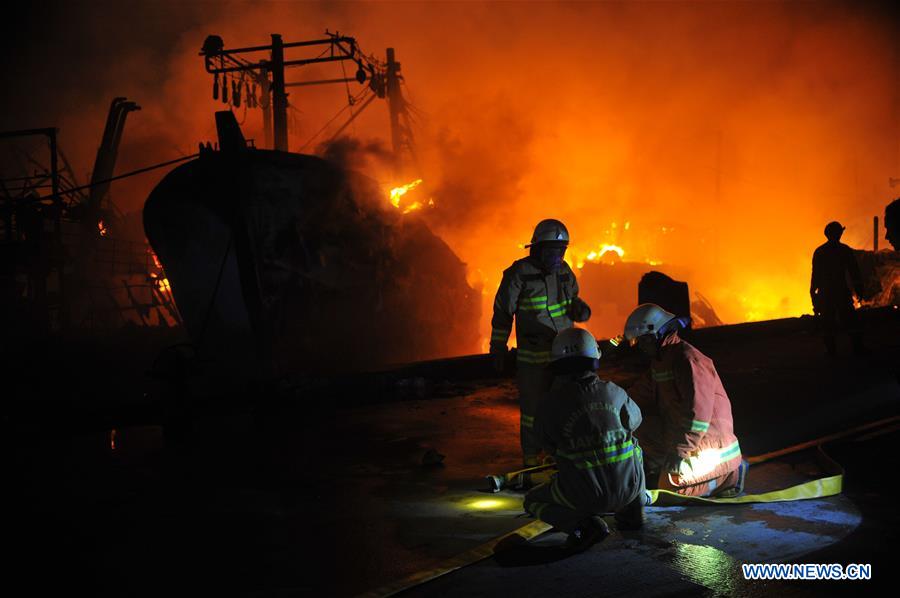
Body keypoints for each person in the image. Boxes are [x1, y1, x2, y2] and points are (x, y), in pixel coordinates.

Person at [523, 327, 646, 552]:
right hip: (628, 489)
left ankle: (582, 527)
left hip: (584, 498)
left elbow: (546, 443)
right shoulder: (615, 392)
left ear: (557, 366)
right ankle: (633, 511)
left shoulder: (551, 404)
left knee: (532, 501)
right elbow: (635, 421)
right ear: (594, 358)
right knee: (634, 447)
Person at [490, 219, 591, 472]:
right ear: (536, 249)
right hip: (533, 359)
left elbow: (574, 303)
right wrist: (498, 349)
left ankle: (560, 457)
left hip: (565, 358)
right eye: (551, 250)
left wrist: (581, 310)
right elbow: (503, 314)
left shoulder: (565, 273)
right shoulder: (518, 275)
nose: (556, 256)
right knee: (532, 412)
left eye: (561, 250)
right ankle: (532, 461)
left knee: (566, 405)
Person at [623, 304, 747, 498]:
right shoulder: (662, 361)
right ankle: (669, 472)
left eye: (642, 340)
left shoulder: (689, 360)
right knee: (637, 426)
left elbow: (697, 414)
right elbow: (635, 397)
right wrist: (607, 407)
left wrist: (679, 452)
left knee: (669, 490)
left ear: (657, 335)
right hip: (689, 442)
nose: (639, 346)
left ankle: (729, 478)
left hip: (713, 447)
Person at [810, 221, 865, 357]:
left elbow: (815, 274)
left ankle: (831, 351)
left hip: (826, 292)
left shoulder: (820, 251)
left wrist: (813, 292)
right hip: (840, 290)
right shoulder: (844, 250)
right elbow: (854, 272)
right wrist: (859, 289)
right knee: (850, 320)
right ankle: (856, 348)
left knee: (828, 322)